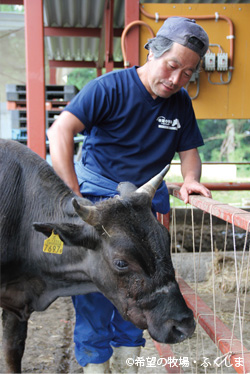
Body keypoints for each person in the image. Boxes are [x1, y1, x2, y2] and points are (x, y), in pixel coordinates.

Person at [47, 16, 212, 373]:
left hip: (142, 213)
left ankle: (127, 364)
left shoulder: (180, 103)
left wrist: (190, 179)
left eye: (187, 73)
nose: (176, 80)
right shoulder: (109, 88)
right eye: (172, 66)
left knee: (146, 288)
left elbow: (190, 156)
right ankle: (95, 365)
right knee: (94, 295)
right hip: (101, 212)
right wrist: (74, 197)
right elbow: (61, 130)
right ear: (154, 51)